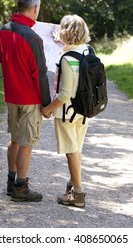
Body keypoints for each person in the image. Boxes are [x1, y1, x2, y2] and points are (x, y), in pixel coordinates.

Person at [0, 0, 51, 202]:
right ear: (35, 8)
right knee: (26, 143)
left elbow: (2, 58)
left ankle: (11, 182)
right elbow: (40, 75)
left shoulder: (4, 30)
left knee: (15, 140)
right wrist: (46, 104)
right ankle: (21, 187)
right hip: (29, 98)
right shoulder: (33, 38)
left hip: (11, 95)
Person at [42, 14, 91, 208]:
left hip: (67, 113)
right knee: (76, 149)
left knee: (71, 152)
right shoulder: (88, 51)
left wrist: (47, 109)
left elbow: (64, 94)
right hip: (84, 110)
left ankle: (78, 193)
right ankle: (72, 186)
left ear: (65, 33)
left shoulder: (67, 58)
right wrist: (61, 42)